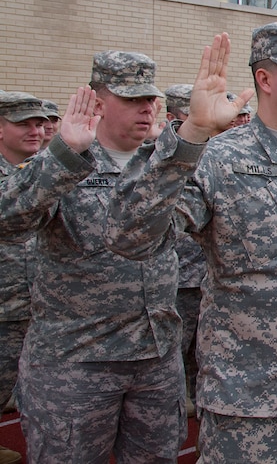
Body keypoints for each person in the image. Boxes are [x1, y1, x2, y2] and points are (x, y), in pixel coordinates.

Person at [105, 24, 277, 462]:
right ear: (265, 79)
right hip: (251, 408)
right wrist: (192, 131)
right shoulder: (217, 157)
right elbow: (128, 237)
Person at [0, 54, 187, 463]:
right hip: (78, 362)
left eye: (150, 99)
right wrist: (65, 153)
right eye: (132, 99)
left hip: (156, 357)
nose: (147, 108)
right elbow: (7, 221)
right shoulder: (65, 163)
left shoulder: (164, 166)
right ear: (98, 104)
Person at [0, 92, 49, 464]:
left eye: (39, 123)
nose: (36, 130)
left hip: (37, 304)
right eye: (24, 124)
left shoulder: (41, 171)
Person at [164, 83, 209, 418]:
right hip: (177, 277)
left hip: (205, 275)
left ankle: (197, 402)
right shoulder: (170, 155)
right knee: (176, 351)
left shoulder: (216, 154)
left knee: (202, 352)